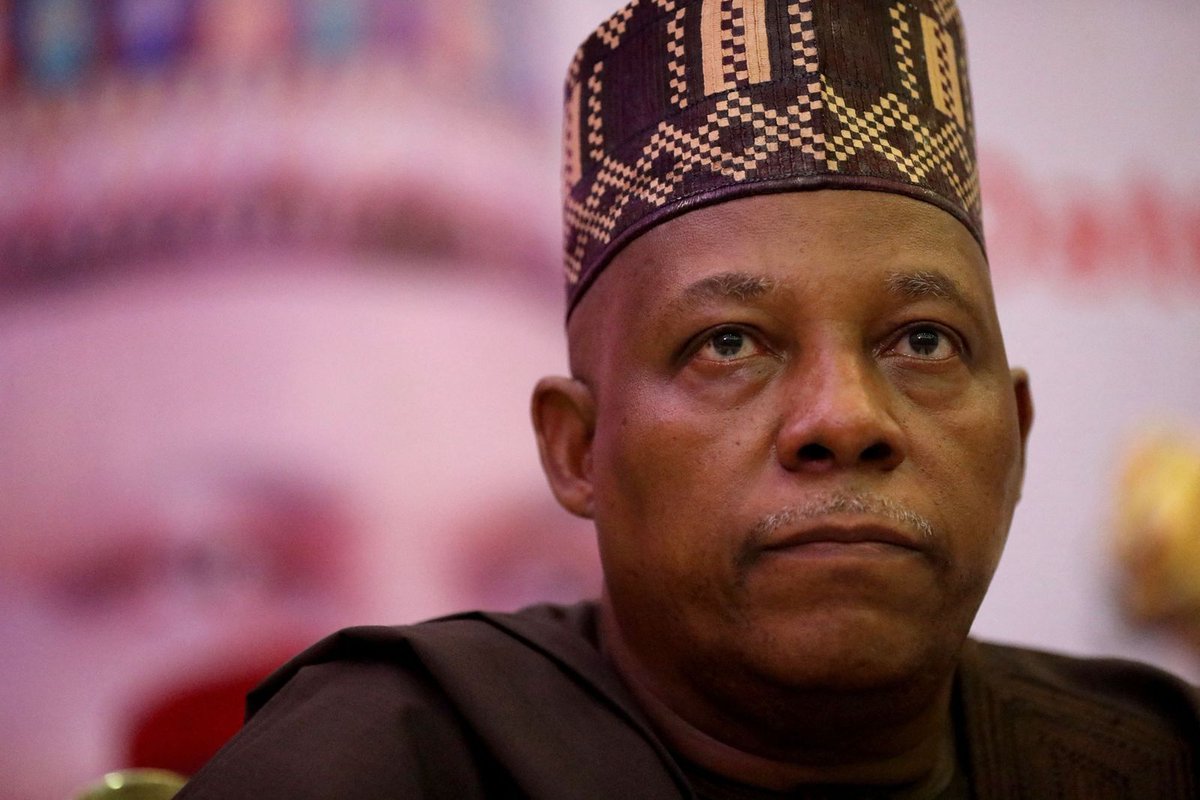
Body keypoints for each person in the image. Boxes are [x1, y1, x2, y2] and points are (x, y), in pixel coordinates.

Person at [177, 1, 1200, 797]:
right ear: (577, 447)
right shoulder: (395, 761)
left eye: (923, 341)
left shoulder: (1147, 760)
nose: (847, 418)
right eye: (729, 344)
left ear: (1016, 434)